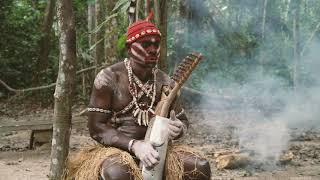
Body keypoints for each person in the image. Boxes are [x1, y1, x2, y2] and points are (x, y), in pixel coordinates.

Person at [65, 14, 211, 180]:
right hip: (117, 150)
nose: (152, 49)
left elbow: (182, 121)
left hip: (158, 150)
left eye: (156, 45)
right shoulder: (109, 78)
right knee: (118, 172)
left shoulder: (165, 82)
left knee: (199, 166)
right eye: (146, 44)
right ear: (129, 48)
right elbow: (96, 127)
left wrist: (178, 128)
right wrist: (135, 146)